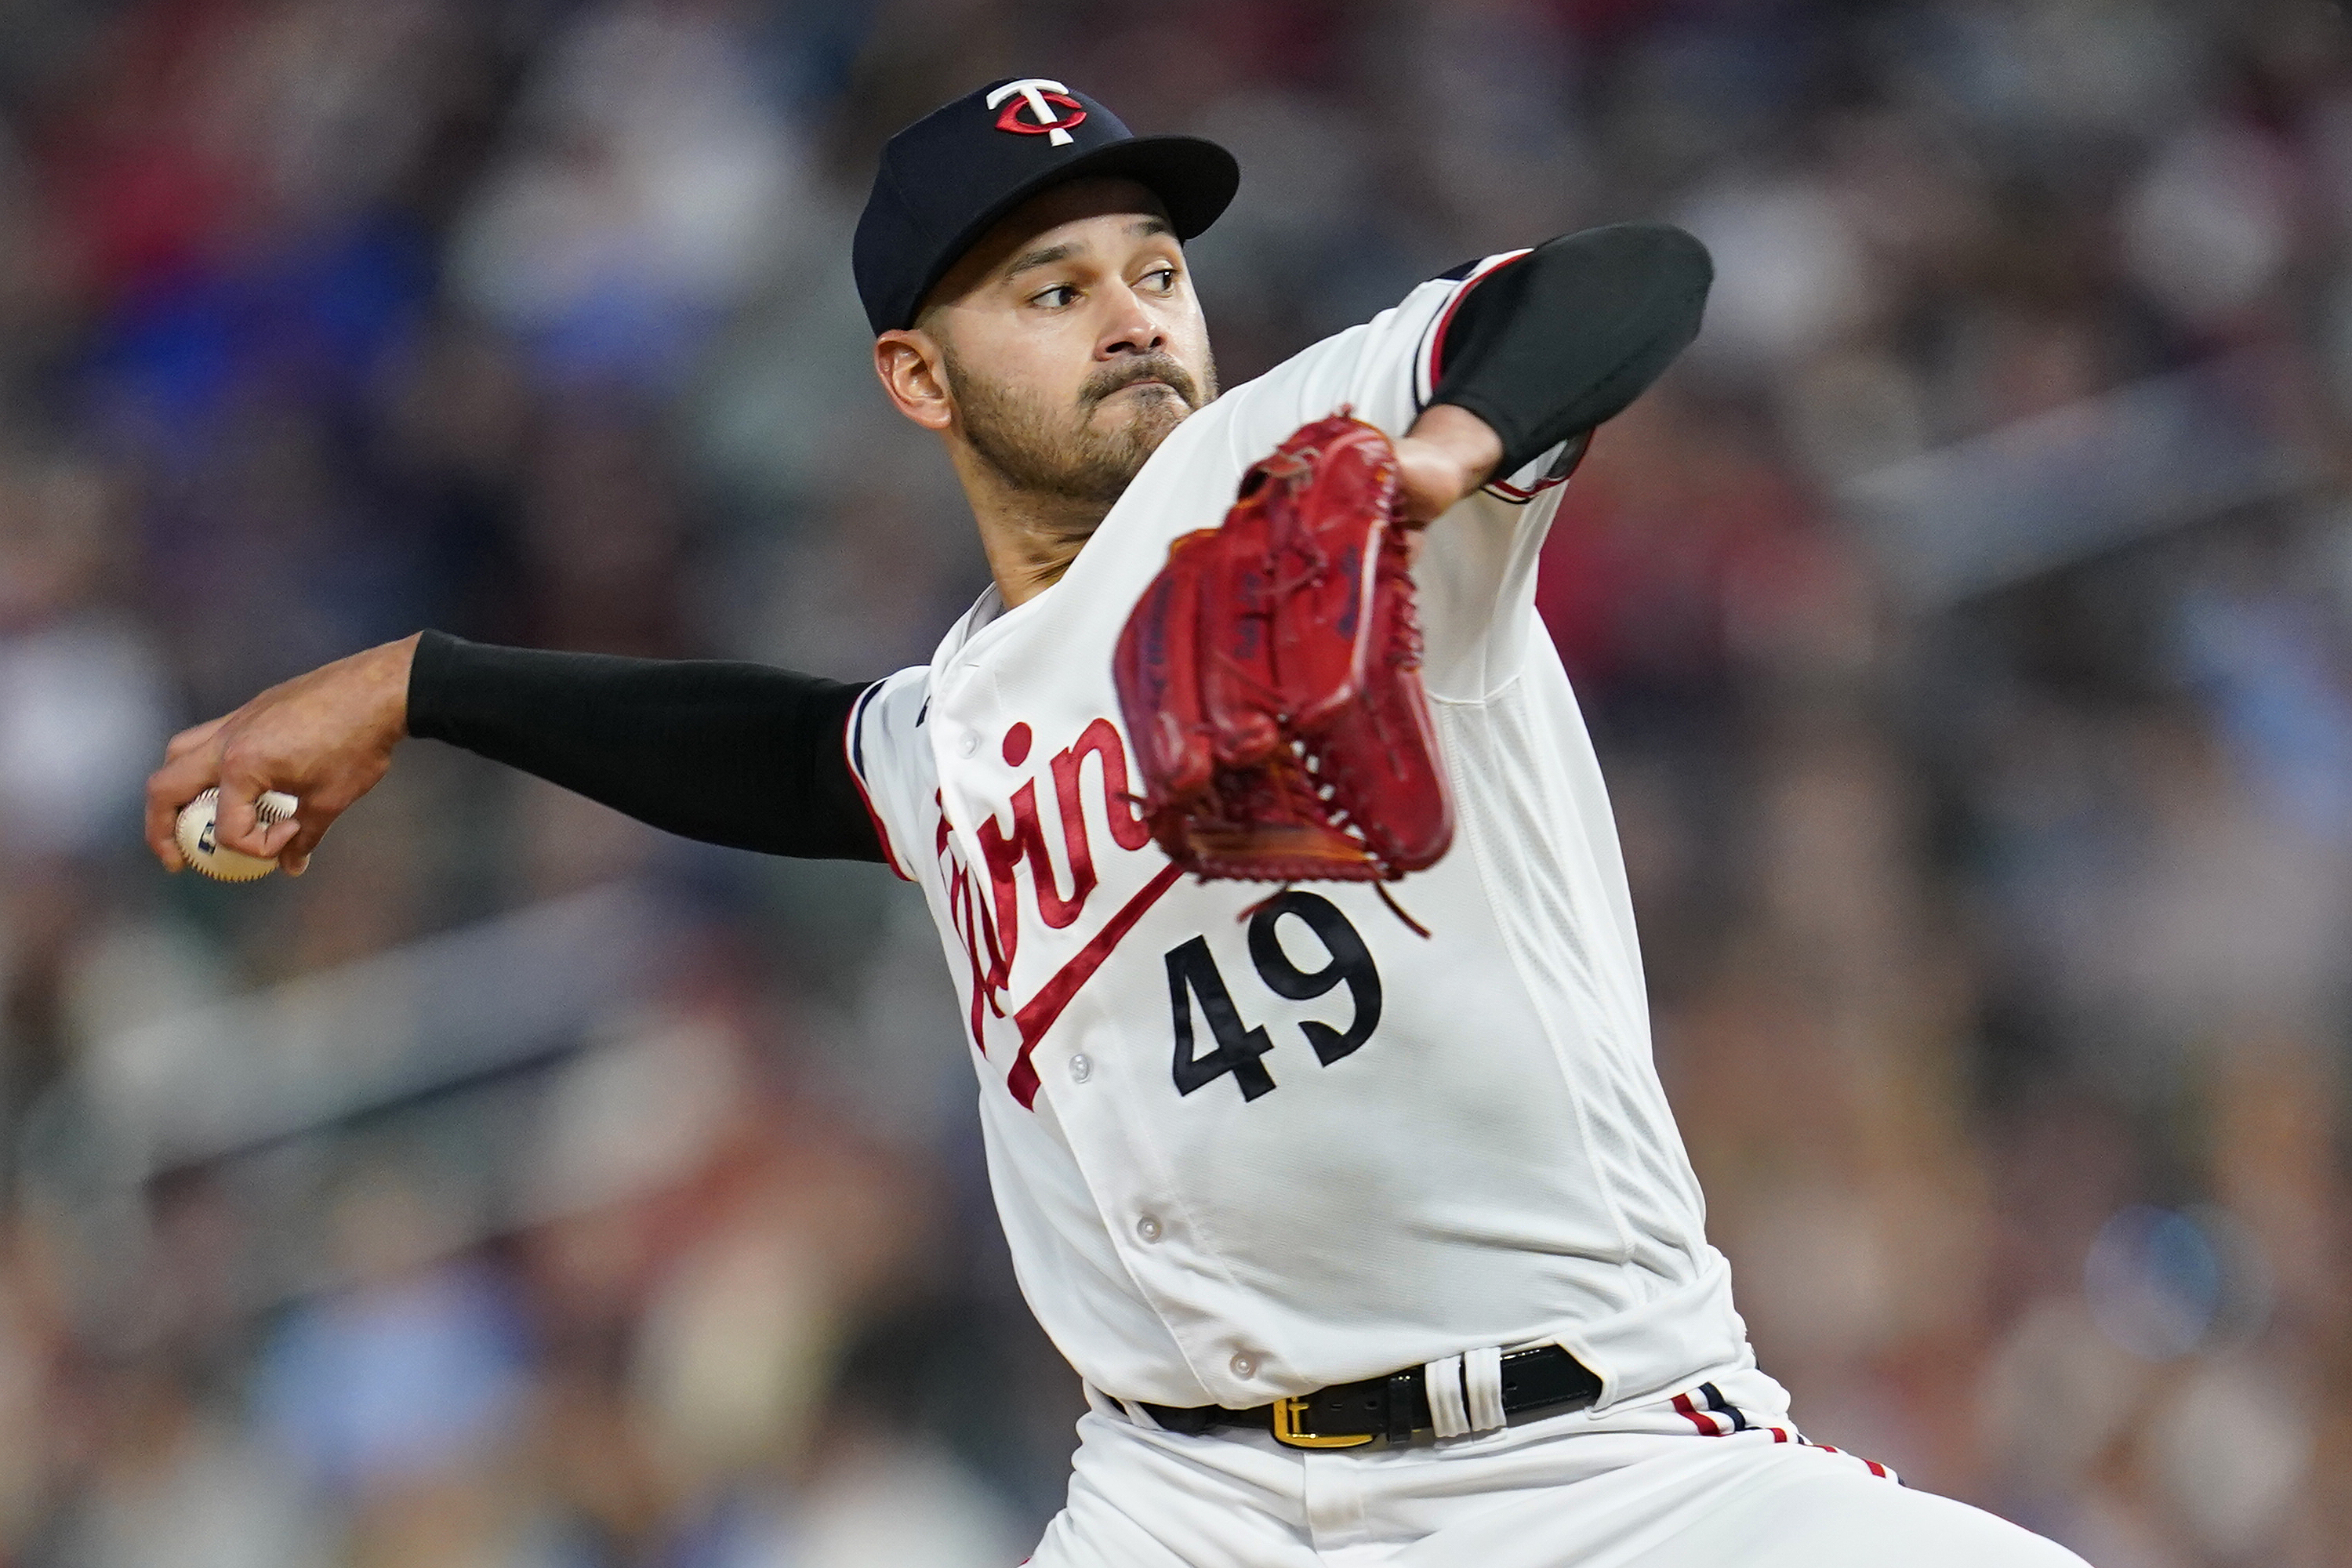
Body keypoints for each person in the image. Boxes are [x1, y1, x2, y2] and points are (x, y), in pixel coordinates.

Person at [146, 79, 2086, 1568]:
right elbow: (802, 757)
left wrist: (1438, 462)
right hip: (1187, 1504)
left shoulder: (1295, 459)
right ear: (917, 375)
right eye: (1052, 290)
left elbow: (1627, 277)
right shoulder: (963, 718)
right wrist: (422, 681)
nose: (1137, 316)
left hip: (1593, 1467)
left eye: (1156, 267)